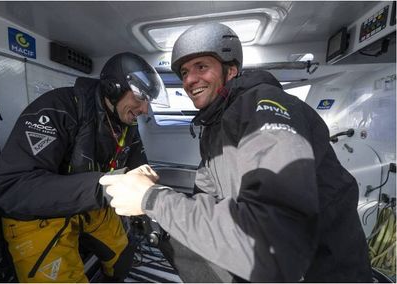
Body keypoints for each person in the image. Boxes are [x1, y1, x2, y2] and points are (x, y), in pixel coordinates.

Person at [100, 23, 373, 282]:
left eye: (201, 66)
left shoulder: (263, 104)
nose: (190, 79)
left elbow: (271, 243)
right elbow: (206, 198)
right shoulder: (213, 128)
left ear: (230, 71)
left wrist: (152, 199)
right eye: (184, 72)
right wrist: (154, 201)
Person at [0, 52, 168, 282]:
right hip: (36, 217)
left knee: (124, 255)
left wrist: (151, 196)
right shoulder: (57, 108)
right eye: (140, 97)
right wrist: (103, 187)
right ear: (113, 88)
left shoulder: (126, 124)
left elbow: (137, 167)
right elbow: (13, 188)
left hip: (89, 204)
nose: (145, 109)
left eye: (148, 100)